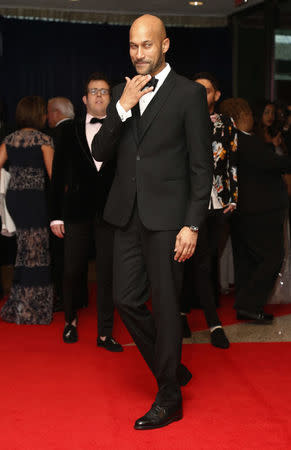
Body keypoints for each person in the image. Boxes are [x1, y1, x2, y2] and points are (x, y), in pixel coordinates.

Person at [92, 15, 212, 430]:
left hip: (167, 220)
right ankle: (171, 368)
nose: (138, 53)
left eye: (146, 45)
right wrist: (121, 107)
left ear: (164, 45)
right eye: (132, 45)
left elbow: (201, 167)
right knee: (125, 299)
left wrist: (192, 224)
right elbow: (101, 151)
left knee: (164, 306)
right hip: (126, 215)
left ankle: (169, 396)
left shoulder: (189, 94)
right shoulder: (123, 94)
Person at [50, 73, 122, 351]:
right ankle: (70, 321)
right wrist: (55, 215)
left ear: (111, 97)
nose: (99, 95)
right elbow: (57, 176)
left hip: (110, 212)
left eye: (104, 91)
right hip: (76, 211)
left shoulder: (120, 129)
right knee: (72, 269)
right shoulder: (67, 131)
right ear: (84, 99)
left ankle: (105, 333)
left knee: (107, 273)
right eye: (93, 91)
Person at [220, 98, 291, 323]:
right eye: (249, 112)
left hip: (244, 211)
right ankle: (249, 305)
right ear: (240, 116)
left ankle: (245, 306)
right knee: (272, 258)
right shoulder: (246, 141)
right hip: (261, 211)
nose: (252, 116)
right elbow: (275, 164)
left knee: (247, 262)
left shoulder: (232, 141)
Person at [180, 72, 237, 349]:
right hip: (194, 202)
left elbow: (233, 162)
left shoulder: (227, 123)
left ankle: (181, 313)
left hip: (220, 203)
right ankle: (214, 324)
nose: (202, 94)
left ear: (217, 95)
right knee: (200, 262)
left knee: (205, 260)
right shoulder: (185, 119)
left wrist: (233, 197)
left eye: (207, 90)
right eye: (197, 89)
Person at [0, 96, 54, 324]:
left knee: (23, 249)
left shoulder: (9, 139)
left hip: (15, 199)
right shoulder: (44, 140)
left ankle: (19, 306)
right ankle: (34, 310)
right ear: (38, 115)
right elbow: (54, 175)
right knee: (38, 251)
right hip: (36, 199)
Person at [47, 97, 75, 312]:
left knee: (61, 255)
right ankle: (77, 298)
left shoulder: (56, 135)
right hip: (79, 200)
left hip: (62, 202)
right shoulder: (80, 129)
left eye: (49, 112)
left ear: (56, 113)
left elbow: (55, 175)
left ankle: (66, 300)